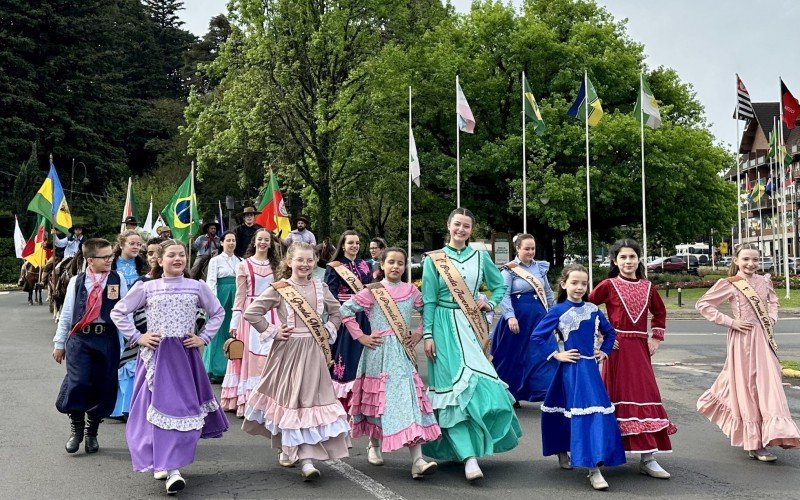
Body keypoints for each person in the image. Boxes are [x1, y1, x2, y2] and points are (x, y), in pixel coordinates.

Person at [110, 239, 228, 494]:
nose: (178, 259)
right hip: (156, 357)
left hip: (185, 358)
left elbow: (218, 312)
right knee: (155, 408)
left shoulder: (197, 287)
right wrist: (137, 336)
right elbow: (118, 312)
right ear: (159, 260)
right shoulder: (147, 287)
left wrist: (203, 337)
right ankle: (164, 464)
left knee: (181, 409)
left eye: (182, 255)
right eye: (172, 255)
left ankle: (171, 465)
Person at [420, 208, 521, 481]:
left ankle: (474, 446)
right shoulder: (434, 260)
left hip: (472, 326)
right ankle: (468, 457)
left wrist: (489, 302)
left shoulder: (480, 256)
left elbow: (499, 287)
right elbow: (428, 299)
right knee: (451, 394)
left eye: (466, 226)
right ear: (449, 225)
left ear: (471, 230)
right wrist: (427, 335)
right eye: (457, 224)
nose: (461, 229)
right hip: (442, 326)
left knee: (481, 384)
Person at [241, 242, 349, 481]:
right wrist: (273, 331)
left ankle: (307, 459)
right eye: (300, 260)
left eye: (310, 260)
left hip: (314, 351)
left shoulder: (320, 287)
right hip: (288, 353)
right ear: (289, 262)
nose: (305, 264)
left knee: (310, 402)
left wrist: (328, 328)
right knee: (290, 401)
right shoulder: (281, 288)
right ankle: (288, 447)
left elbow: (336, 312)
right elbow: (252, 312)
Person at [341, 247, 440, 479]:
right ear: (382, 266)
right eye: (391, 262)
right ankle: (374, 445)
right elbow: (346, 310)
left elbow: (428, 311)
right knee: (379, 400)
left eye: (400, 263)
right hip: (378, 352)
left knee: (407, 399)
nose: (396, 266)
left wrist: (419, 334)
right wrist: (361, 336)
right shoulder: (373, 291)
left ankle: (418, 460)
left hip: (402, 354)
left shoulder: (411, 290)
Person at [695, 243, 800, 461]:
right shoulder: (730, 284)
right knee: (749, 387)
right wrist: (731, 322)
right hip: (742, 341)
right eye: (745, 259)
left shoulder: (764, 281)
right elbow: (704, 305)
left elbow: (772, 301)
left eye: (755, 259)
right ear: (736, 261)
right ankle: (755, 443)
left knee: (770, 385)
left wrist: (771, 318)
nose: (751, 264)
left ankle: (774, 433)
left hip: (763, 339)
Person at [531, 264, 625, 491]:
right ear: (564, 284)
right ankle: (574, 458)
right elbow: (537, 337)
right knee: (570, 410)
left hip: (590, 369)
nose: (579, 287)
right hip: (570, 370)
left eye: (584, 283)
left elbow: (610, 332)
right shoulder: (557, 310)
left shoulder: (593, 309)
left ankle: (594, 465)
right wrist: (557, 354)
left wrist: (604, 350)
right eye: (574, 282)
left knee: (592, 412)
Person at [588, 239, 675, 478]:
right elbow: (587, 307)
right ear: (615, 261)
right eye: (623, 257)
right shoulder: (608, 284)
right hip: (614, 350)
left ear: (639, 260)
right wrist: (602, 334)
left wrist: (656, 337)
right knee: (612, 396)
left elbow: (659, 312)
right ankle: (603, 451)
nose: (628, 261)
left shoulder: (648, 287)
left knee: (644, 395)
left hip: (639, 349)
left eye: (632, 257)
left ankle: (648, 457)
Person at [52, 238, 127, 455]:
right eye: (104, 257)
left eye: (111, 256)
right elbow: (66, 314)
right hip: (80, 339)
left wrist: (131, 339)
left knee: (103, 384)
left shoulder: (117, 278)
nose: (109, 260)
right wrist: (59, 344)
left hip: (107, 339)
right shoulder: (77, 280)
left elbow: (124, 311)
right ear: (90, 260)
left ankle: (92, 431)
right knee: (79, 381)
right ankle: (76, 429)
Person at [491, 233, 557, 405]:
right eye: (526, 248)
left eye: (533, 248)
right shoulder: (510, 270)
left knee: (545, 352)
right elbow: (503, 295)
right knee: (513, 357)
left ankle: (547, 392)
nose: (530, 252)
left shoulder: (540, 268)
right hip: (518, 319)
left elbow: (548, 294)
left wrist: (555, 314)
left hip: (539, 317)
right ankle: (510, 394)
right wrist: (510, 317)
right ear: (518, 249)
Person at [220, 228, 280, 415]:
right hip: (250, 314)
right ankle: (248, 400)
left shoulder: (277, 266)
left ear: (270, 243)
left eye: (266, 240)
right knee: (249, 356)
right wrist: (234, 322)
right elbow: (240, 295)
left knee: (270, 355)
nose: (263, 242)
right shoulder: (244, 265)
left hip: (272, 313)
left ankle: (269, 399)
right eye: (260, 239)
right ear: (254, 242)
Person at [325, 230, 373, 408]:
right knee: (346, 353)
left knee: (363, 352)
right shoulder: (334, 266)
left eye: (357, 243)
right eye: (351, 243)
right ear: (343, 245)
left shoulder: (365, 264)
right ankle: (344, 393)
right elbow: (330, 293)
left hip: (364, 315)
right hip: (345, 315)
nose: (354, 246)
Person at [109, 230, 147, 420]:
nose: (136, 247)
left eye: (138, 244)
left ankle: (129, 405)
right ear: (122, 244)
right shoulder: (111, 263)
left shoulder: (142, 264)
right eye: (132, 243)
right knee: (120, 357)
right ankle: (115, 405)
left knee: (133, 358)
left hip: (139, 317)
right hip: (118, 316)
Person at [203, 231, 241, 382]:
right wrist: (212, 301)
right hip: (221, 295)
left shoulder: (240, 260)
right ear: (222, 243)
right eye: (228, 240)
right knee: (217, 331)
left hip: (236, 295)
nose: (231, 243)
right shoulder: (216, 261)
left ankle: (230, 368)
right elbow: (211, 281)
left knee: (232, 331)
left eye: (233, 240)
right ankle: (213, 369)